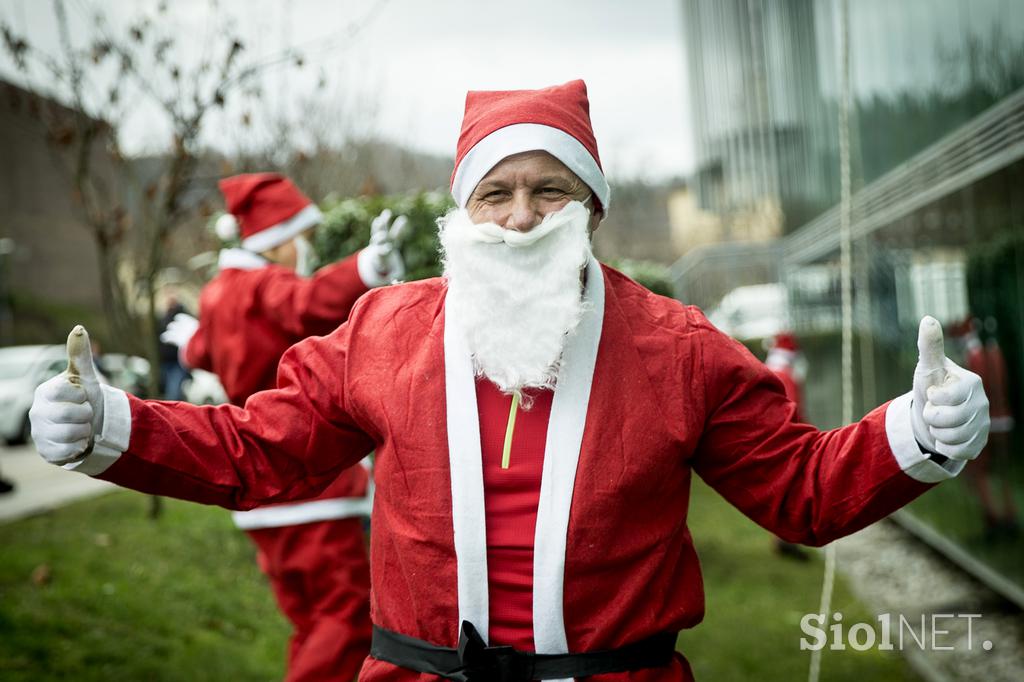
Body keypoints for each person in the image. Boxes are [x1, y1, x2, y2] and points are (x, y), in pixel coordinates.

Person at [31, 80, 990, 682]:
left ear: (593, 208)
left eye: (550, 190)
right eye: (497, 191)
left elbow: (802, 489)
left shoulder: (679, 347)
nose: (521, 216)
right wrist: (111, 425)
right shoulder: (383, 331)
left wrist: (919, 430)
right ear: (465, 208)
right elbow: (255, 449)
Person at [156, 172, 407, 682]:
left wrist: (189, 346)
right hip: (306, 478)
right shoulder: (266, 285)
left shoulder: (218, 293)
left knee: (308, 621)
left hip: (257, 490)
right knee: (342, 620)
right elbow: (309, 302)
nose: (304, 250)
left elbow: (205, 349)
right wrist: (366, 267)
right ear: (278, 241)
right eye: (300, 238)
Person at [956, 316, 1018, 539]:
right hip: (1004, 419)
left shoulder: (973, 355)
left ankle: (992, 517)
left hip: (986, 421)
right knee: (1002, 470)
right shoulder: (996, 352)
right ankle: (1009, 514)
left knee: (978, 471)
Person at [764, 331, 810, 560]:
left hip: (770, 441)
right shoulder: (787, 377)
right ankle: (787, 540)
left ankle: (782, 539)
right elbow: (793, 410)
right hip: (788, 443)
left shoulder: (768, 371)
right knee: (791, 492)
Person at [156, 293, 190, 401]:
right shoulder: (164, 317)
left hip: (177, 362)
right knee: (170, 390)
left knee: (173, 392)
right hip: (166, 362)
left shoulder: (181, 316)